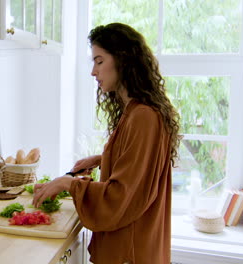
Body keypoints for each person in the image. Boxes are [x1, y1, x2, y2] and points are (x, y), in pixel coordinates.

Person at [32, 23, 181, 264]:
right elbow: (141, 165)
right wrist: (103, 159)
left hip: (129, 252)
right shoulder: (137, 111)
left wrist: (69, 183)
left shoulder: (143, 116)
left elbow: (120, 197)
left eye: (99, 61)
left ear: (123, 61)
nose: (93, 71)